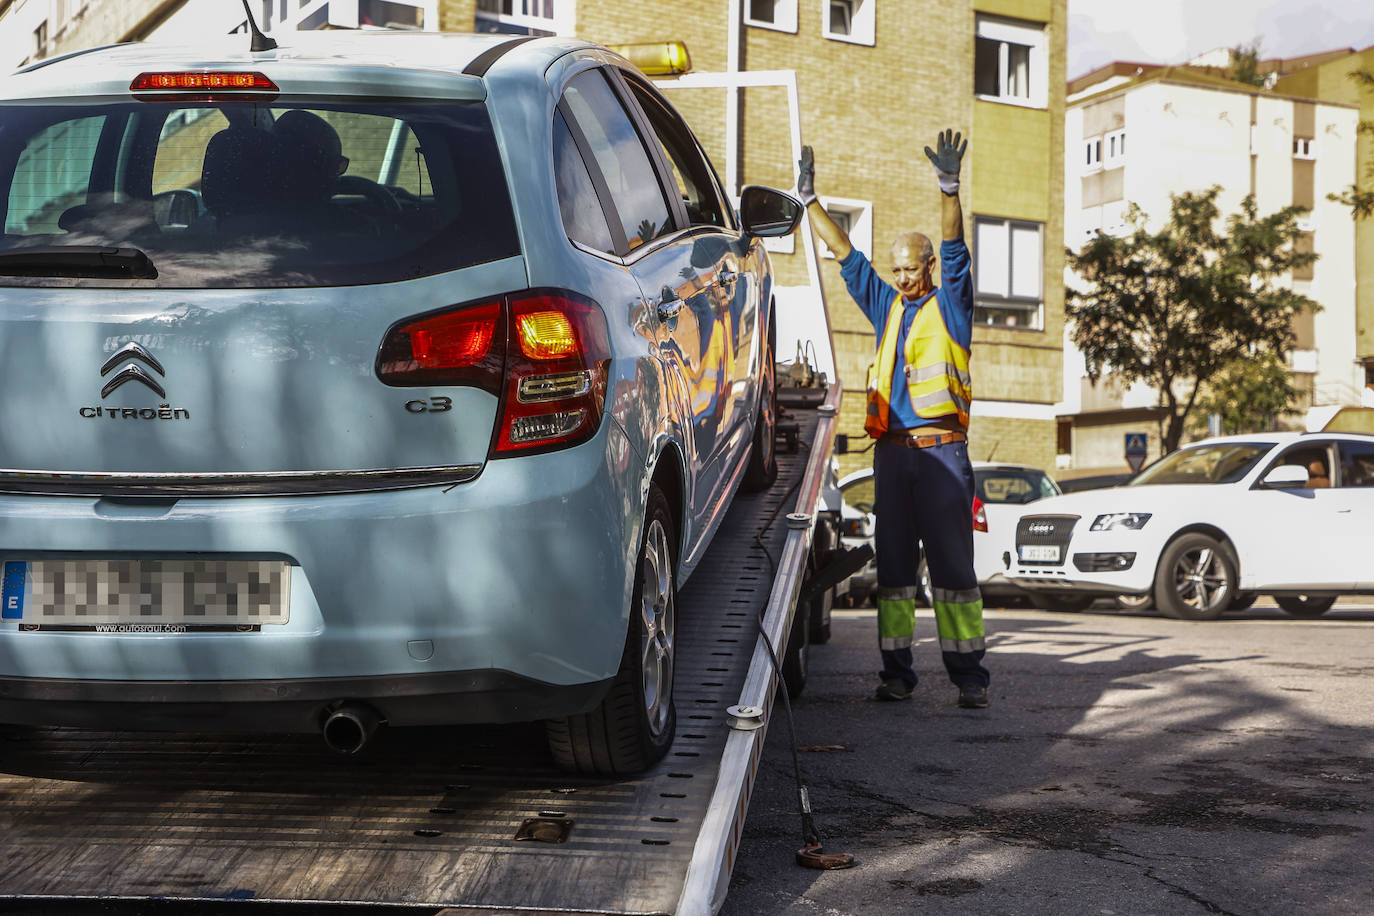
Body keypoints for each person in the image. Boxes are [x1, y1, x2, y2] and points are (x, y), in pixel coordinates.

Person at [797, 130, 990, 709]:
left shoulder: (951, 306)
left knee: (954, 571)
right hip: (894, 455)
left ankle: (970, 679)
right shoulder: (887, 309)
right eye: (898, 269)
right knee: (897, 572)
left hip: (941, 454)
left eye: (913, 268)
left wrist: (949, 190)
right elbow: (847, 259)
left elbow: (957, 251)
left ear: (929, 267)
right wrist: (810, 203)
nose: (904, 277)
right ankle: (897, 675)